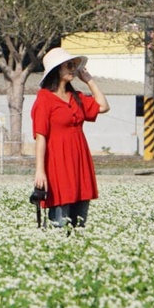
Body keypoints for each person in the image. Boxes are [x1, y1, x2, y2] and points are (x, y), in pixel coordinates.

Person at [31, 47, 110, 228]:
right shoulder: (44, 99)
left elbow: (103, 107)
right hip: (58, 162)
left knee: (80, 218)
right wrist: (40, 170)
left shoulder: (76, 97)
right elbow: (40, 137)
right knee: (60, 218)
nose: (73, 68)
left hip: (80, 161)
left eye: (74, 65)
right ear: (56, 69)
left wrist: (90, 81)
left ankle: (76, 251)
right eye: (69, 65)